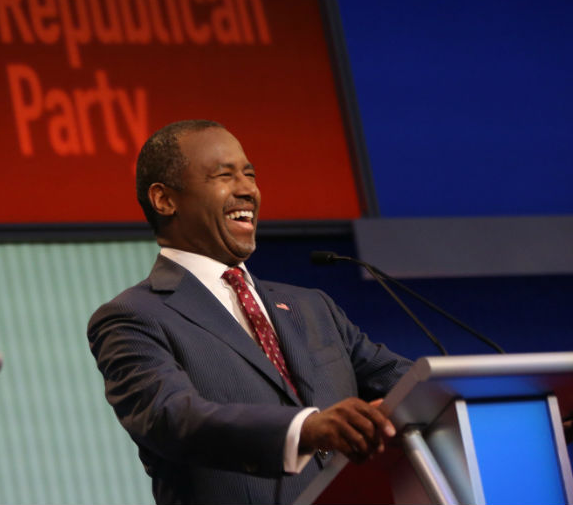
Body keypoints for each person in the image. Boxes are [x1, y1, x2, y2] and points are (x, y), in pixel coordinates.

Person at [87, 120, 412, 504]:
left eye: (250, 174)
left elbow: (407, 384)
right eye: (224, 175)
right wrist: (306, 429)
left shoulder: (312, 306)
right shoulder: (132, 317)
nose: (247, 190)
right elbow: (174, 419)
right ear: (164, 200)